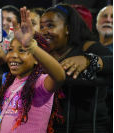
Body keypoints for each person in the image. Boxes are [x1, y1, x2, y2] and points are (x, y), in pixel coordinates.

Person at [0, 7, 65, 133]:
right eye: (11, 49)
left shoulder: (40, 83)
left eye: (22, 50)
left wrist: (31, 46)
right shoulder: (10, 81)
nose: (13, 55)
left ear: (36, 58)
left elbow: (59, 76)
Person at [39, 3, 113, 133]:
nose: (44, 31)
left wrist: (88, 60)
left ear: (68, 28)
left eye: (50, 25)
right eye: (41, 27)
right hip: (51, 128)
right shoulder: (44, 54)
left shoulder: (87, 47)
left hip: (89, 128)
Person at [96, 5, 113, 123]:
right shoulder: (86, 47)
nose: (108, 19)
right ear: (96, 23)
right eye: (104, 16)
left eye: (113, 17)